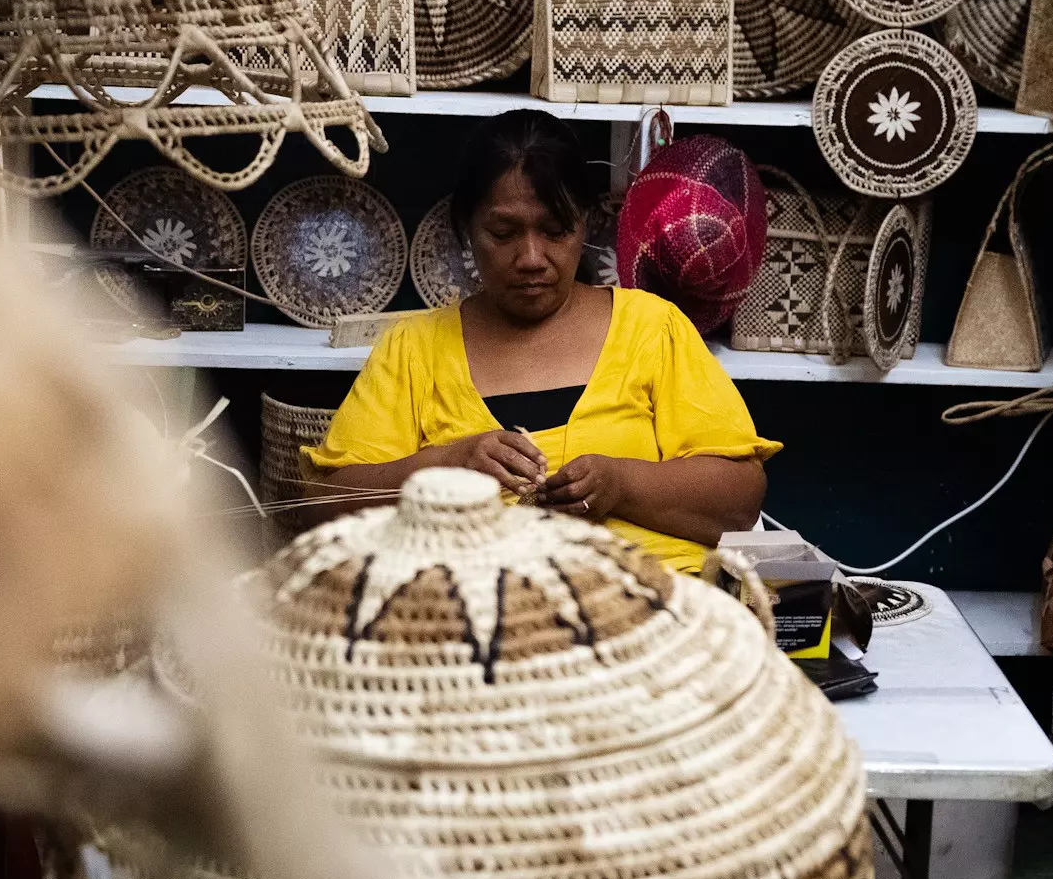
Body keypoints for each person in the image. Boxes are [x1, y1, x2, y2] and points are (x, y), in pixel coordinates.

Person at [304, 110, 778, 573]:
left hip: (649, 614)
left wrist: (620, 484)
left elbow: (738, 499)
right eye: (504, 233)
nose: (531, 258)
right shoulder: (415, 348)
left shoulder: (653, 327)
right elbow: (324, 509)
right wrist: (447, 464)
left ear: (586, 225)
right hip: (465, 621)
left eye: (555, 230)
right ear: (466, 227)